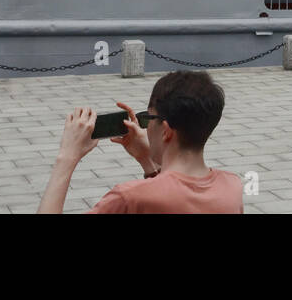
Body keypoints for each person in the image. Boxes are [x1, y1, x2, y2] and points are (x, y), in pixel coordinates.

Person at [37, 70, 243, 214]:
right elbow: (179, 196)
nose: (145, 127)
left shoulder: (129, 198)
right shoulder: (231, 187)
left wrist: (67, 156)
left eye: (148, 118)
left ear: (166, 131)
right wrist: (148, 161)